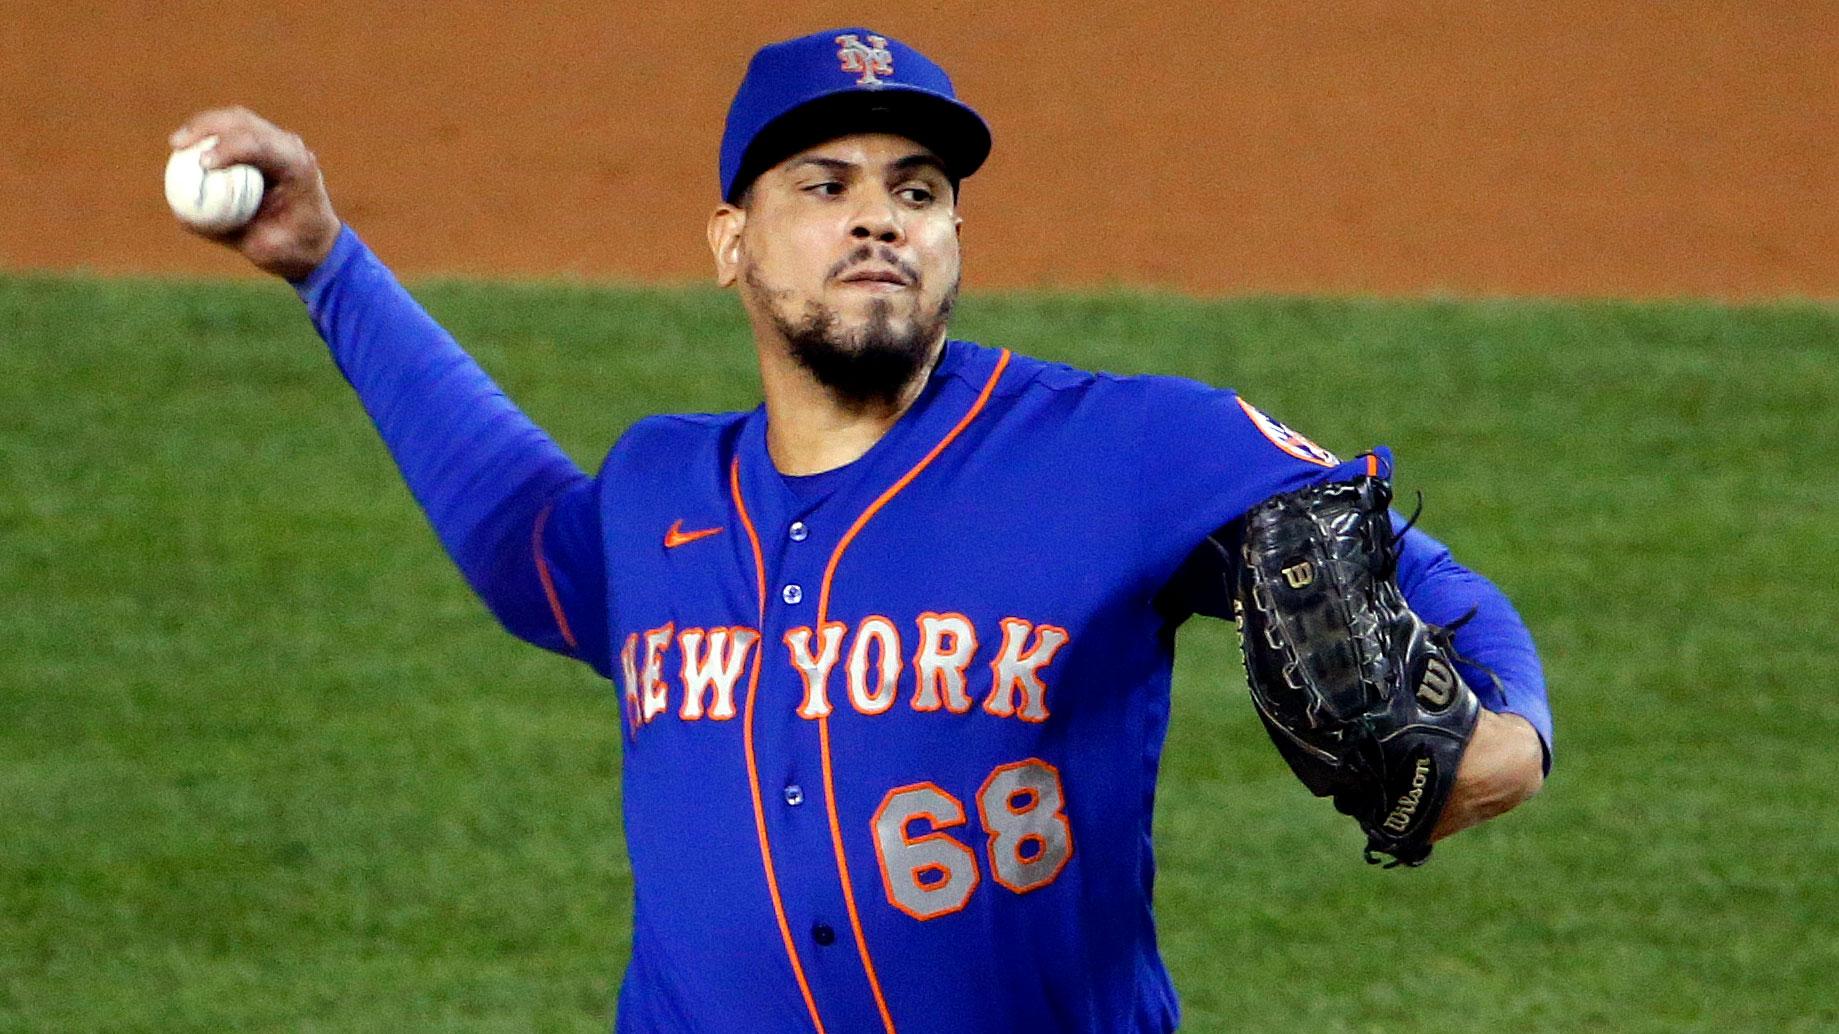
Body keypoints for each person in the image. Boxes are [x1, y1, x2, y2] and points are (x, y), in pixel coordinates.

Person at [170, 27, 1549, 1034]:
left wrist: (1511, 738)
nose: (878, 219)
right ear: (731, 240)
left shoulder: (1125, 449)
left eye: (917, 190)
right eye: (823, 187)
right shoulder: (658, 493)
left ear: (954, 236)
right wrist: (326, 267)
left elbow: (1409, 572)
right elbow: (529, 548)